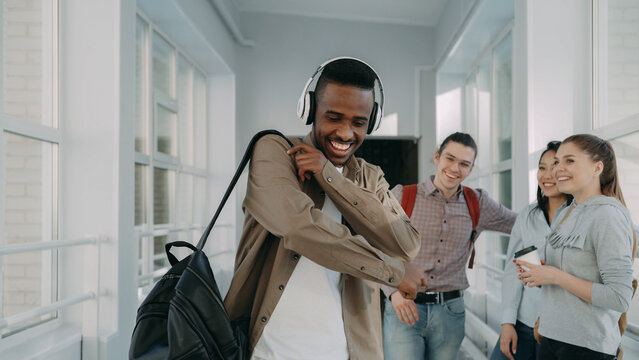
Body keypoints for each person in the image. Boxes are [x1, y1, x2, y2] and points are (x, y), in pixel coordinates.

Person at [223, 57, 426, 360]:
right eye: (333, 117)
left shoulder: (371, 177)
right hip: (270, 352)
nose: (345, 133)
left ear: (372, 122)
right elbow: (298, 227)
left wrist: (329, 176)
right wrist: (392, 273)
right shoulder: (274, 151)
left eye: (358, 122)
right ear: (310, 110)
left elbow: (406, 243)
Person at [382, 132, 518, 360]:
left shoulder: (478, 203)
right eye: (450, 159)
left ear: (471, 169)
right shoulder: (402, 196)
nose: (455, 168)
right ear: (437, 157)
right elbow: (375, 246)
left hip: (450, 312)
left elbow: (522, 225)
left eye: (464, 164)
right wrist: (392, 292)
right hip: (404, 307)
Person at [516, 134, 635, 359]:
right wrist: (541, 274)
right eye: (558, 161)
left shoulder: (608, 215)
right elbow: (568, 275)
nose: (558, 169)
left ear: (597, 168)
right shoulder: (566, 212)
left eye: (569, 161)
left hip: (586, 346)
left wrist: (556, 276)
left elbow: (619, 296)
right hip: (550, 337)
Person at [490, 141, 572, 360]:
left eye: (555, 166)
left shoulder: (583, 214)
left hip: (564, 331)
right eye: (542, 167)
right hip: (524, 324)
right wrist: (508, 322)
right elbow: (514, 271)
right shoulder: (527, 216)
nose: (547, 174)